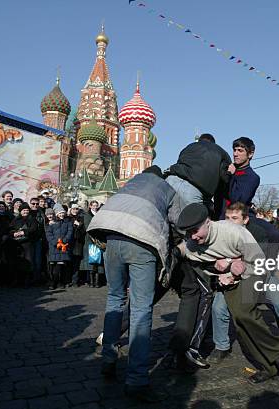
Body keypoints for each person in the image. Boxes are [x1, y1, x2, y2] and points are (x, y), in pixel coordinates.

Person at [177, 203, 279, 386]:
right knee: (240, 322)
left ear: (208, 222)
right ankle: (269, 367)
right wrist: (223, 267)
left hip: (253, 271)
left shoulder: (233, 232)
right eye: (188, 232)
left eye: (195, 230)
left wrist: (235, 267)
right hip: (228, 280)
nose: (193, 236)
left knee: (244, 311)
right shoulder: (193, 244)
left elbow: (259, 262)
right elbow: (189, 254)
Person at [86, 167, 178, 403]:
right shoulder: (166, 188)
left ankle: (108, 358)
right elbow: (179, 220)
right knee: (141, 309)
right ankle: (137, 380)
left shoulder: (129, 184)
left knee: (115, 298)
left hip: (112, 239)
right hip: (142, 242)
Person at [210, 202, 279, 371]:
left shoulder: (260, 233)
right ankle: (222, 347)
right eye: (227, 218)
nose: (229, 221)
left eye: (235, 218)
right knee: (218, 308)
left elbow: (261, 264)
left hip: (263, 274)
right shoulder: (221, 233)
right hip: (231, 278)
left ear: (245, 219)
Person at [219, 137, 260, 218]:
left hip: (235, 222)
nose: (235, 154)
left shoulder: (252, 177)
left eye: (240, 150)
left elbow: (238, 201)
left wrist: (232, 176)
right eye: (234, 150)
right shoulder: (226, 170)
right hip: (218, 218)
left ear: (250, 154)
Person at [8, 203, 39, 287]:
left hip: (28, 244)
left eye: (27, 210)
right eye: (24, 210)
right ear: (20, 211)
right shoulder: (16, 220)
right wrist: (13, 233)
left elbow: (34, 229)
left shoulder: (32, 219)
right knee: (18, 262)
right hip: (17, 244)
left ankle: (27, 281)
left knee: (28, 262)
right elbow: (10, 229)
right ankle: (18, 281)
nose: (25, 212)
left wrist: (24, 232)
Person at [45, 204, 73, 289]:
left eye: (62, 213)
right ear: (56, 214)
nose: (61, 215)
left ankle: (61, 282)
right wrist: (55, 243)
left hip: (64, 246)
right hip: (54, 247)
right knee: (54, 266)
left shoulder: (68, 222)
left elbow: (69, 233)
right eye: (59, 213)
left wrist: (63, 241)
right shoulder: (52, 223)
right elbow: (49, 234)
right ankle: (53, 282)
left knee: (62, 265)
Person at [28, 197, 45, 285]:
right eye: (33, 203)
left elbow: (43, 226)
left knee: (38, 260)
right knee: (30, 259)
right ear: (30, 204)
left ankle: (37, 279)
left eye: (37, 204)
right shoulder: (27, 213)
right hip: (28, 240)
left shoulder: (41, 213)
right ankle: (30, 278)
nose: (35, 205)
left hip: (38, 240)